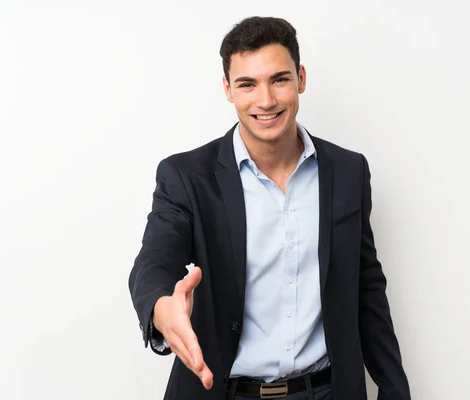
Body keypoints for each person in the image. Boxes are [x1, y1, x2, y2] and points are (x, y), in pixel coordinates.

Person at [128, 16, 411, 400]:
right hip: (225, 392)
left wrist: (395, 390)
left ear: (301, 79)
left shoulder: (348, 171)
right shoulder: (187, 176)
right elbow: (154, 260)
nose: (266, 100)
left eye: (279, 79)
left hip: (327, 391)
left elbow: (367, 289)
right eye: (247, 84)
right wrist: (162, 307)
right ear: (228, 89)